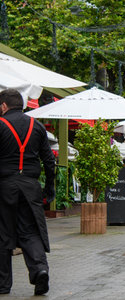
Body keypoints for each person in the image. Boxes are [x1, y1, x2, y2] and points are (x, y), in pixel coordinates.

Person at [0, 89, 54, 295]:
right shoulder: (37, 127)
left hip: (5, 186)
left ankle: (3, 284)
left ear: (4, 106)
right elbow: (49, 161)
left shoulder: (0, 125)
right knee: (30, 231)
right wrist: (50, 188)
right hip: (30, 187)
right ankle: (39, 270)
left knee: (3, 233)